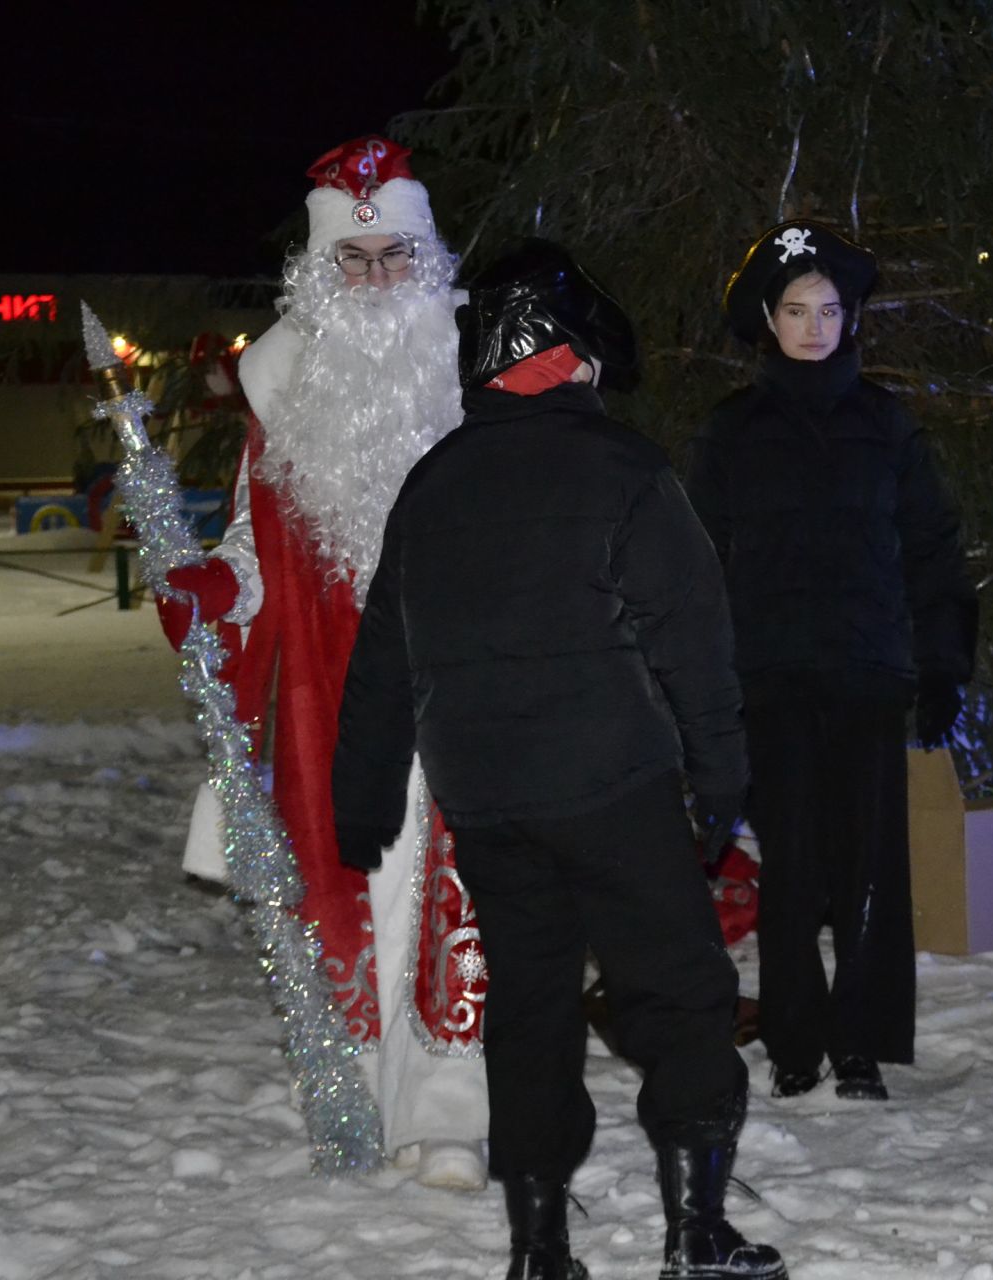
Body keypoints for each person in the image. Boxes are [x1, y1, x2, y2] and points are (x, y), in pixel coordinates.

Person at [331, 239, 784, 1280]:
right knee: (677, 994)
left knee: (529, 1011)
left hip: (486, 796)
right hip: (612, 783)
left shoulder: (433, 481)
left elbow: (380, 661)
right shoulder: (623, 467)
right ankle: (696, 1232)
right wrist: (721, 778)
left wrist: (362, 796)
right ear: (573, 354)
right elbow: (695, 641)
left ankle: (540, 1251)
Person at [152, 136, 488, 1189]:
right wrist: (211, 589)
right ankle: (358, 1097)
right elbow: (252, 549)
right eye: (357, 259)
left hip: (464, 678)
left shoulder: (474, 369)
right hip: (332, 693)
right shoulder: (284, 389)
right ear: (320, 271)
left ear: (426, 258)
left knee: (455, 893)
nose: (380, 279)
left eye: (396, 256)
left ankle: (447, 1118)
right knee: (357, 890)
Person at [686, 220, 977, 1103]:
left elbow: (933, 549)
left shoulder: (886, 424)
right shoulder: (732, 431)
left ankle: (860, 1040)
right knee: (793, 869)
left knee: (869, 866)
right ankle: (795, 1042)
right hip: (769, 679)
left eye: (831, 310)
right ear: (768, 322)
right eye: (797, 310)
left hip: (867, 675)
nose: (815, 326)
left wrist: (941, 667)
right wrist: (701, 687)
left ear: (851, 321)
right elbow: (695, 562)